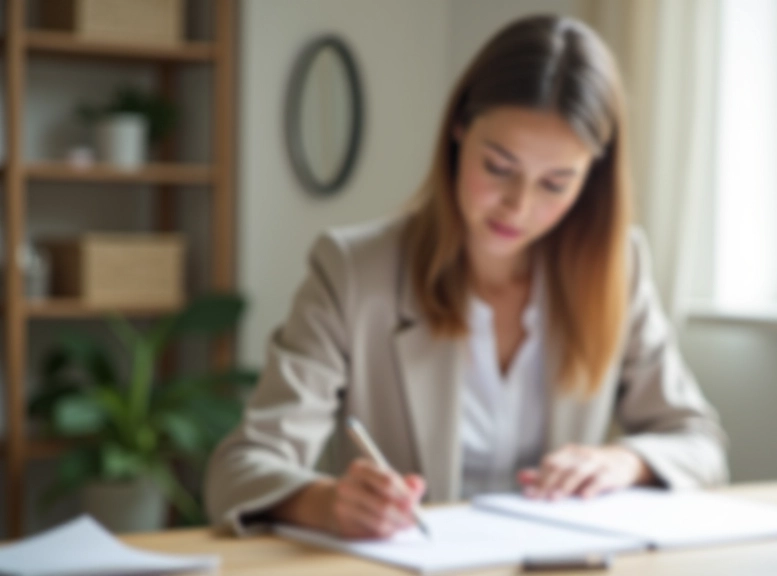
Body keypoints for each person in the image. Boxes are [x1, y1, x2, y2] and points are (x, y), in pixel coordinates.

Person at [205, 13, 727, 540]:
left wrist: (623, 462)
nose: (518, 206)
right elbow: (240, 469)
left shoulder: (618, 267)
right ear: (458, 129)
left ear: (592, 177)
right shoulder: (354, 272)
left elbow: (698, 442)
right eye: (499, 167)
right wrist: (327, 503)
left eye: (555, 183)